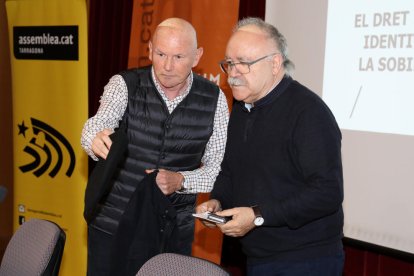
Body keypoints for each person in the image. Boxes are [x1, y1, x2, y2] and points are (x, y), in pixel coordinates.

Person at [195, 17, 344, 275]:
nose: (233, 72)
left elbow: (327, 192)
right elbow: (231, 170)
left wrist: (258, 215)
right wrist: (217, 201)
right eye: (229, 63)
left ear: (275, 64)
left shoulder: (308, 113)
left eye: (244, 63)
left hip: (306, 260)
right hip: (258, 257)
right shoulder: (243, 108)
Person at [81, 17, 229, 275]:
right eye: (160, 54)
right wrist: (94, 139)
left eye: (179, 57)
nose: (167, 66)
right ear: (149, 49)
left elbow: (217, 168)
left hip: (172, 230)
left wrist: (181, 180)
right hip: (112, 223)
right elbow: (97, 124)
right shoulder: (124, 85)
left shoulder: (215, 100)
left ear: (197, 56)